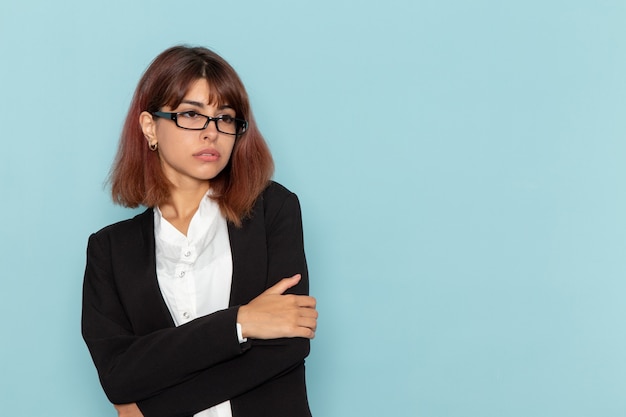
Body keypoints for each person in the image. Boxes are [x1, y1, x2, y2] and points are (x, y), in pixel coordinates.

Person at [81, 45, 317, 417]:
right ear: (150, 127)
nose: (212, 133)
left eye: (225, 117)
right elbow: (118, 376)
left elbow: (288, 345)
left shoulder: (273, 209)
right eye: (191, 114)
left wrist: (152, 406)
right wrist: (241, 322)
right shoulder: (110, 250)